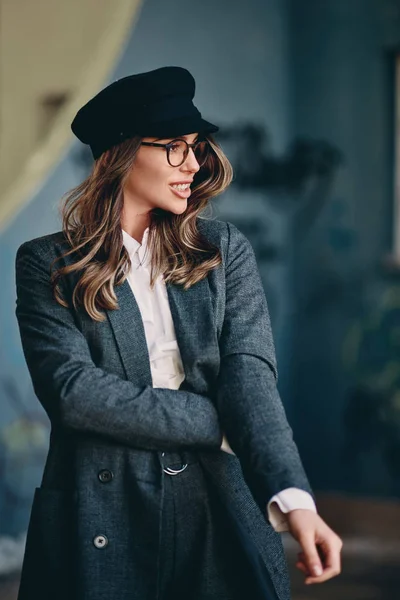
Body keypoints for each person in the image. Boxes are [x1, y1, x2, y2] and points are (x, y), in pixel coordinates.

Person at [15, 66, 342, 600]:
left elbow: (250, 379)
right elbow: (74, 394)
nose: (192, 163)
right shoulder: (49, 263)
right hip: (102, 503)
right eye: (172, 146)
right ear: (119, 154)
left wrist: (294, 498)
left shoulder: (223, 250)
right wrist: (215, 423)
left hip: (216, 498)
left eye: (195, 146)